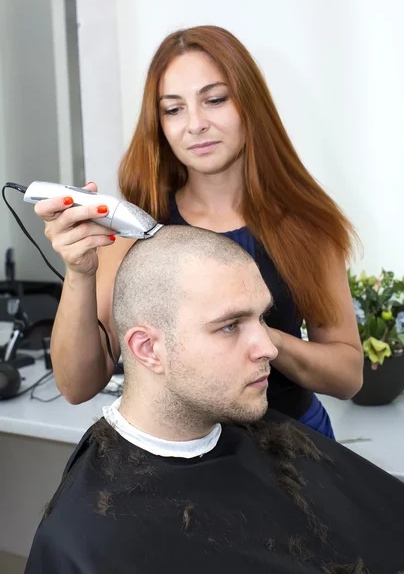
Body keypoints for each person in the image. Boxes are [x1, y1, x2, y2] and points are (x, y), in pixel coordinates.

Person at [35, 25, 363, 437]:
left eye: (215, 100)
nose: (195, 124)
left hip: (298, 452)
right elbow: (77, 386)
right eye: (173, 109)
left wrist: (255, 335)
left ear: (249, 104)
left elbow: (348, 377)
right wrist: (79, 273)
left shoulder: (306, 227)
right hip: (182, 468)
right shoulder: (135, 231)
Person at [26, 227, 404, 574]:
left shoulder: (277, 446)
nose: (269, 347)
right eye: (229, 326)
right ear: (148, 348)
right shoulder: (83, 538)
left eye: (262, 319)